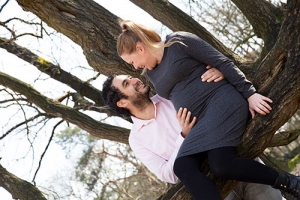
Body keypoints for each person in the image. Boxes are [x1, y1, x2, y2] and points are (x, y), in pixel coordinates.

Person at [115, 20, 300, 199]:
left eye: (132, 62)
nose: (136, 67)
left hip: (221, 103)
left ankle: (289, 182)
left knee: (221, 165)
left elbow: (222, 62)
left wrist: (249, 93)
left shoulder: (180, 42)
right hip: (201, 124)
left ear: (140, 48)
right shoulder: (151, 74)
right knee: (182, 167)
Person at [101, 71, 282, 200]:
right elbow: (168, 175)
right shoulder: (137, 140)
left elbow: (213, 101)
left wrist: (221, 72)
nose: (135, 80)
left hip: (237, 162)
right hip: (212, 188)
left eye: (130, 78)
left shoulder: (171, 96)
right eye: (127, 84)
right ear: (122, 102)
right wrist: (183, 136)